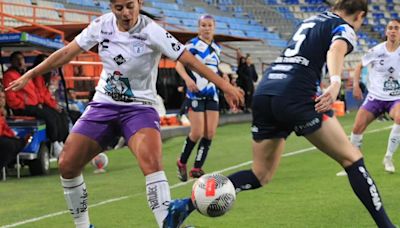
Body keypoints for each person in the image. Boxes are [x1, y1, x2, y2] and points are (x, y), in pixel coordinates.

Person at [6, 1, 243, 227]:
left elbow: (189, 60)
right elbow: (66, 53)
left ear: (139, 3)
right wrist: (30, 74)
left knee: (151, 162)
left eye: (130, 6)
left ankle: (167, 223)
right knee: (67, 164)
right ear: (111, 7)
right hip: (104, 105)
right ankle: (84, 225)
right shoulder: (101, 25)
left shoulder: (152, 30)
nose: (126, 13)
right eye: (119, 8)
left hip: (139, 108)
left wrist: (226, 86)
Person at [223, 1, 394, 227]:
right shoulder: (344, 27)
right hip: (296, 94)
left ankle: (186, 204)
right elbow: (336, 49)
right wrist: (334, 83)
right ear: (361, 15)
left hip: (266, 90)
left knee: (260, 174)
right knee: (352, 159)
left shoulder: (310, 20)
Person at [175, 14, 223, 182]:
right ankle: (181, 161)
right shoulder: (192, 45)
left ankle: (197, 167)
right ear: (198, 27)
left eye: (209, 25)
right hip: (195, 92)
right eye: (203, 25)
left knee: (210, 132)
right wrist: (187, 79)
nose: (206, 28)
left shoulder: (217, 48)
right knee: (196, 132)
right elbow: (179, 64)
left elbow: (215, 71)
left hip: (212, 93)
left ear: (214, 27)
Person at [350, 18, 400, 174]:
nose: (393, 30)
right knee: (357, 128)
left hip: (395, 98)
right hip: (375, 97)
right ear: (386, 31)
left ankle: (388, 157)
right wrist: (356, 85)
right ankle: (355, 163)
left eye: (396, 28)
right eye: (390, 28)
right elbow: (359, 65)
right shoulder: (376, 50)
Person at [2, 51, 65, 157]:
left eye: (22, 59)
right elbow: (11, 97)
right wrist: (23, 104)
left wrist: (40, 103)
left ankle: (60, 140)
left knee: (56, 114)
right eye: (17, 59)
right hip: (22, 107)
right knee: (48, 116)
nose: (20, 62)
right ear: (12, 62)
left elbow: (37, 92)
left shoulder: (24, 74)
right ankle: (54, 143)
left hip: (34, 105)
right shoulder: (9, 76)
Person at [0, 85, 25, 171]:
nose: (2, 100)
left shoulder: (3, 113)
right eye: (0, 97)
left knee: (19, 142)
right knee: (10, 145)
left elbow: (5, 128)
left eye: (3, 97)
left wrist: (13, 136)